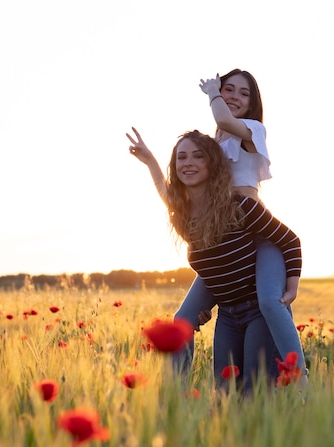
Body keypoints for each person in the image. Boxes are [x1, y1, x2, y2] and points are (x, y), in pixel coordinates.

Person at [128, 129, 302, 392]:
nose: (189, 163)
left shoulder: (240, 206)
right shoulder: (183, 216)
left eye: (198, 156)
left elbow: (289, 240)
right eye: (182, 158)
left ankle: (302, 387)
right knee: (223, 396)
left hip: (258, 312)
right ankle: (176, 398)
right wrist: (151, 160)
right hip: (227, 315)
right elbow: (166, 193)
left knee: (251, 395)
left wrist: (291, 287)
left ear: (213, 163)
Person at [181, 69, 309, 379]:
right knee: (183, 318)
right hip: (226, 235)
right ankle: (176, 390)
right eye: (229, 90)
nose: (235, 96)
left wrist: (213, 92)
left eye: (244, 93)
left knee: (268, 300)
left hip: (256, 232)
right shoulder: (216, 141)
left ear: (253, 103)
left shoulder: (252, 129)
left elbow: (225, 120)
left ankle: (301, 376)